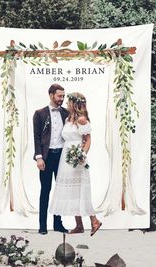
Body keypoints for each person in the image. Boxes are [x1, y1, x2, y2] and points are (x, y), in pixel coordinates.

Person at [49, 92, 102, 236]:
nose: (66, 104)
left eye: (68, 102)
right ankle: (79, 225)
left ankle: (94, 220)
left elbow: (88, 139)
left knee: (80, 191)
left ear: (74, 104)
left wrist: (82, 154)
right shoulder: (68, 119)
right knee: (71, 192)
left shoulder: (82, 119)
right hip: (66, 158)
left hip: (77, 159)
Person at [33, 84, 69, 235]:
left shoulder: (66, 113)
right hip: (47, 158)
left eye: (63, 96)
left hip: (61, 156)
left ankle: (58, 224)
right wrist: (39, 157)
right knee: (45, 190)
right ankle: (42, 225)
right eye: (59, 96)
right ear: (51, 95)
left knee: (60, 191)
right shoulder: (39, 114)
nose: (62, 99)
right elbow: (37, 137)